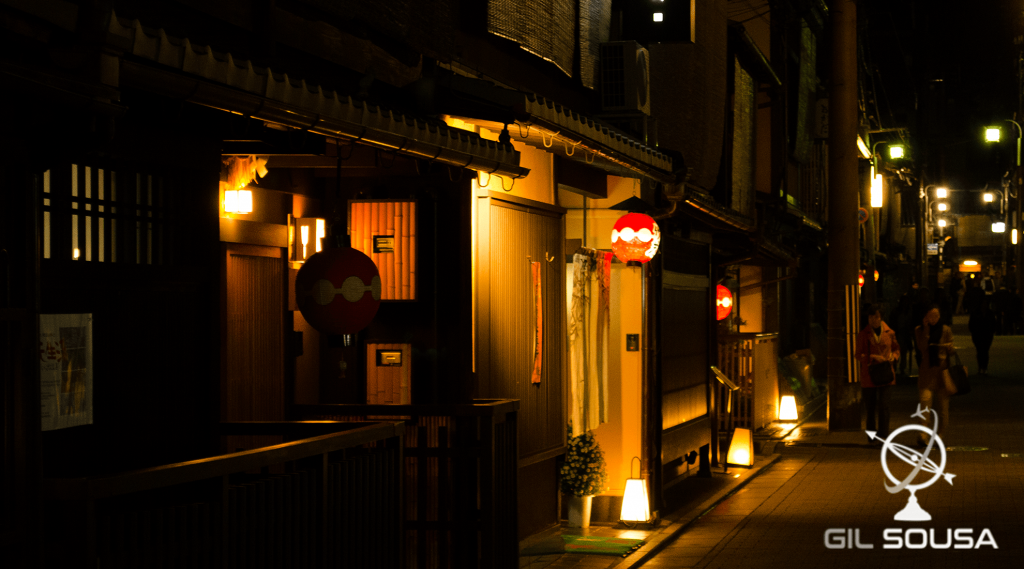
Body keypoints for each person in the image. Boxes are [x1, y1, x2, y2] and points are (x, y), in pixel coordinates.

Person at [856, 305, 900, 443]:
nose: (873, 319)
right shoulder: (863, 334)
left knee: (884, 405)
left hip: (886, 373)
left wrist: (894, 356)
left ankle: (883, 435)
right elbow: (857, 355)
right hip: (869, 374)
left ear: (881, 318)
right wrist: (872, 357)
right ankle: (871, 436)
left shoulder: (889, 332)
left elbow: (896, 348)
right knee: (870, 408)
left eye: (875, 316)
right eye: (870, 317)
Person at [915, 304, 956, 444]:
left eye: (936, 316)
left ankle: (940, 435)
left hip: (942, 373)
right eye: (931, 316)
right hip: (926, 372)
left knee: (943, 408)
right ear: (926, 316)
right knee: (925, 404)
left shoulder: (945, 330)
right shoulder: (919, 330)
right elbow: (922, 347)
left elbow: (951, 350)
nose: (934, 319)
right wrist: (926, 329)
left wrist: (950, 348)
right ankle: (923, 435)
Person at [969, 300, 996, 376]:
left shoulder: (989, 313)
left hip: (986, 335)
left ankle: (984, 367)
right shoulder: (977, 313)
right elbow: (971, 323)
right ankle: (981, 367)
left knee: (984, 351)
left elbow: (993, 323)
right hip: (979, 335)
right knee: (980, 351)